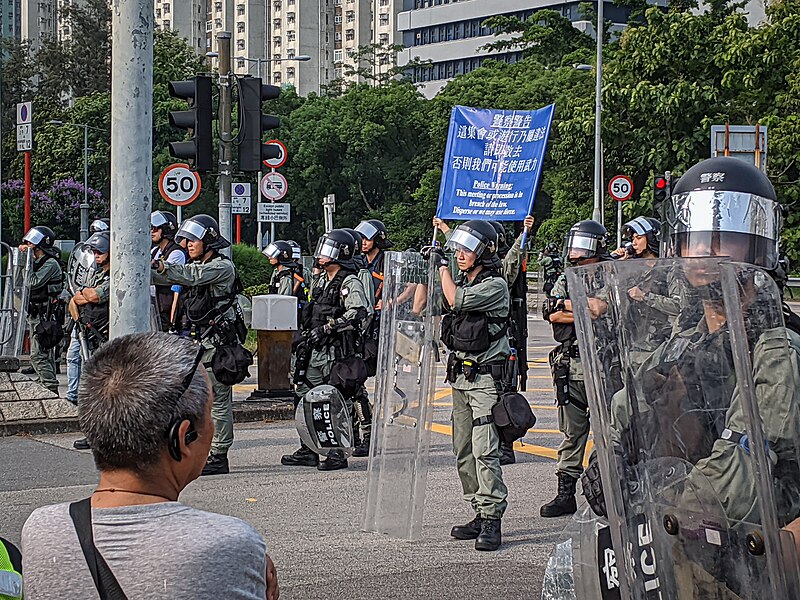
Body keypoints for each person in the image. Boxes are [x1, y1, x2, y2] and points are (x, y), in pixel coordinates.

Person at [580, 157, 800, 596]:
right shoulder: (685, 343)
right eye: (693, 239)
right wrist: (605, 466)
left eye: (726, 240)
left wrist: (648, 499)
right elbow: (623, 409)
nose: (704, 253)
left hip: (751, 559)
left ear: (759, 249)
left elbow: (741, 473)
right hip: (676, 548)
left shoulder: (777, 350)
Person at [21, 332, 279, 600]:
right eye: (210, 414)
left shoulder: (42, 529)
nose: (213, 427)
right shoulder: (231, 544)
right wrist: (245, 561)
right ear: (182, 438)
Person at [428, 220, 510, 552]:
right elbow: (435, 302)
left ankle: (492, 519)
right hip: (460, 378)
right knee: (462, 449)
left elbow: (456, 299)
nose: (460, 254)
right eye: (459, 249)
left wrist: (440, 265)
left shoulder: (495, 286)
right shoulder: (465, 277)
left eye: (467, 249)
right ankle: (478, 510)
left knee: (485, 450)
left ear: (485, 252)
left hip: (485, 382)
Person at [152, 215, 243, 477]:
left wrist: (159, 267)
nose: (187, 244)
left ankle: (219, 454)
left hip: (218, 346)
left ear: (209, 241)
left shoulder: (220, 267)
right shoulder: (199, 263)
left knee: (218, 401)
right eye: (187, 240)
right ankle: (195, 447)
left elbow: (191, 276)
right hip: (198, 344)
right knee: (193, 399)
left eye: (193, 240)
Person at [282, 229, 370, 471]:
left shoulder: (349, 281)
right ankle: (309, 449)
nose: (322, 254)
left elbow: (358, 313)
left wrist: (329, 328)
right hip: (313, 349)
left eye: (328, 249)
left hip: (333, 351)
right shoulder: (321, 281)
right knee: (303, 395)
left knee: (332, 401)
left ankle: (336, 452)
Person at [540, 219, 611, 518]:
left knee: (609, 434)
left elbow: (601, 309)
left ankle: (607, 492)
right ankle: (565, 493)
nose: (577, 251)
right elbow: (551, 314)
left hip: (603, 365)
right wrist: (580, 309)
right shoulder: (569, 276)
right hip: (571, 365)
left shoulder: (610, 274)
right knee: (572, 433)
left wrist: (567, 305)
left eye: (584, 244)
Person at [69, 230, 112, 450]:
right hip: (91, 336)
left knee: (108, 391)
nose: (96, 255)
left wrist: (86, 295)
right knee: (92, 390)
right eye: (94, 251)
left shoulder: (115, 274)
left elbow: (95, 296)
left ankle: (108, 434)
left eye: (100, 251)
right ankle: (94, 433)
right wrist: (85, 295)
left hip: (106, 340)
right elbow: (75, 299)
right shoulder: (95, 275)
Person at [18, 226, 64, 394]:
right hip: (35, 314)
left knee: (38, 355)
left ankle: (50, 388)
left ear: (39, 245)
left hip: (45, 315)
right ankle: (45, 383)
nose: (26, 246)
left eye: (30, 243)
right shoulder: (37, 262)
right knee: (44, 354)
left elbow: (32, 282)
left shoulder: (50, 263)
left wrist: (25, 261)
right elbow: (19, 281)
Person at [151, 210, 187, 331]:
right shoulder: (155, 251)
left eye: (155, 228)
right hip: (156, 306)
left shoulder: (176, 253)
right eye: (151, 228)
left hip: (168, 306)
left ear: (166, 229)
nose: (152, 231)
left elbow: (167, 277)